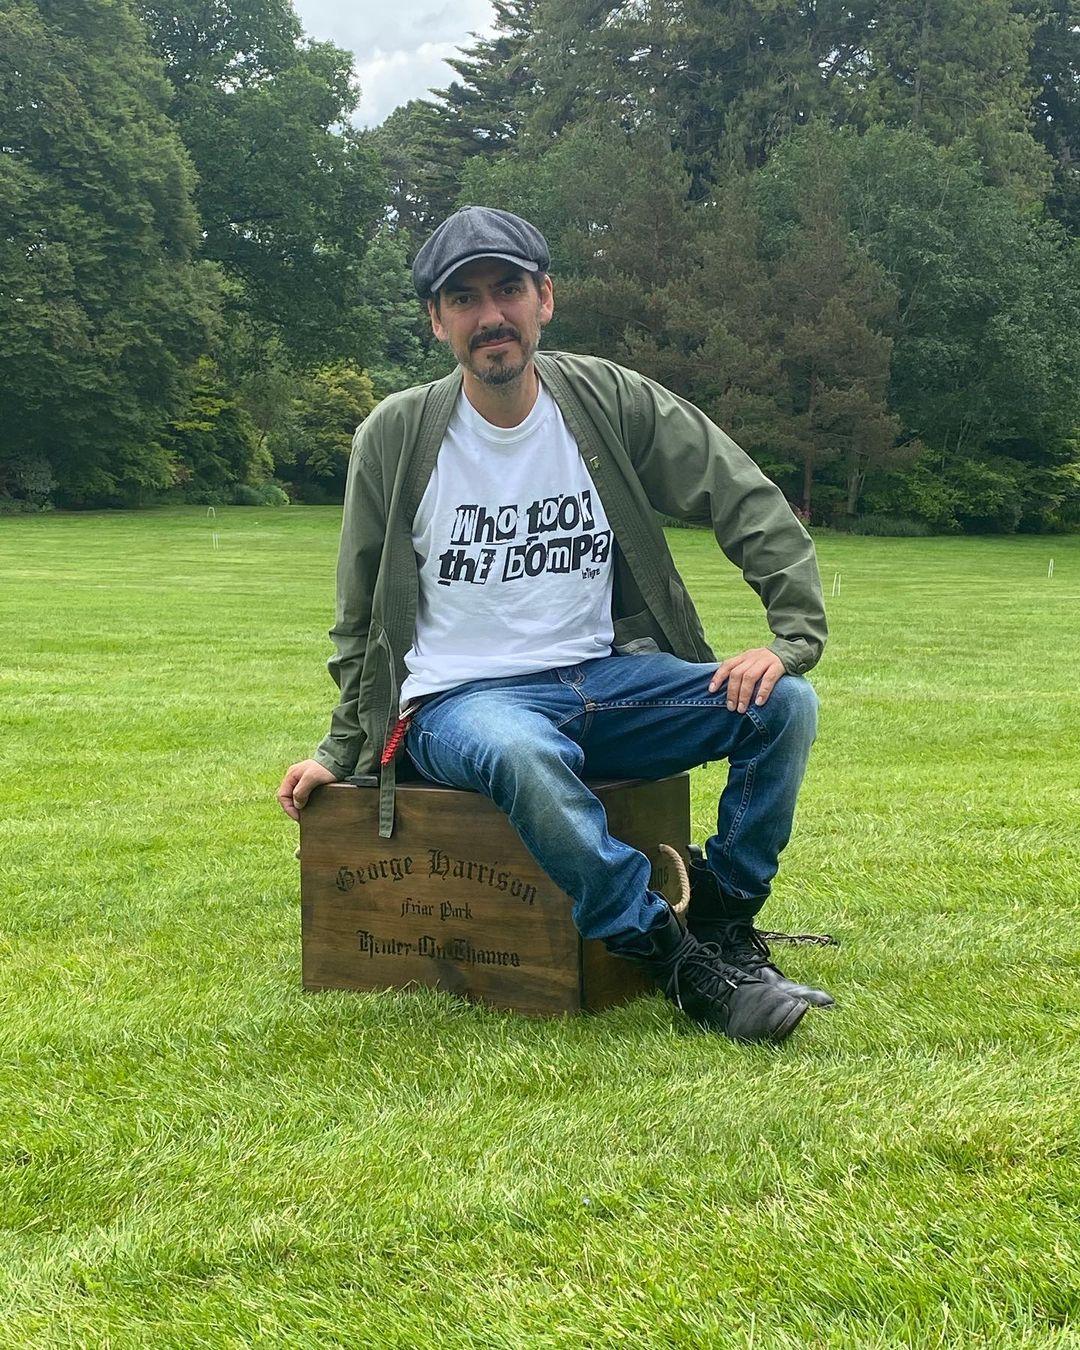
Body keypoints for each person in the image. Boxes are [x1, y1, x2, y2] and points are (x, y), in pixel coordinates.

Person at [278, 205, 831, 1044]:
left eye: (508, 289)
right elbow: (358, 616)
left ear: (546, 298)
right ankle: (671, 959)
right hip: (462, 707)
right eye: (462, 299)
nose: (489, 315)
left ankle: (721, 919)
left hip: (600, 681)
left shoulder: (606, 400)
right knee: (521, 750)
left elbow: (741, 493)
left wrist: (789, 637)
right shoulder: (394, 436)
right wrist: (337, 754)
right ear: (436, 321)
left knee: (783, 708)